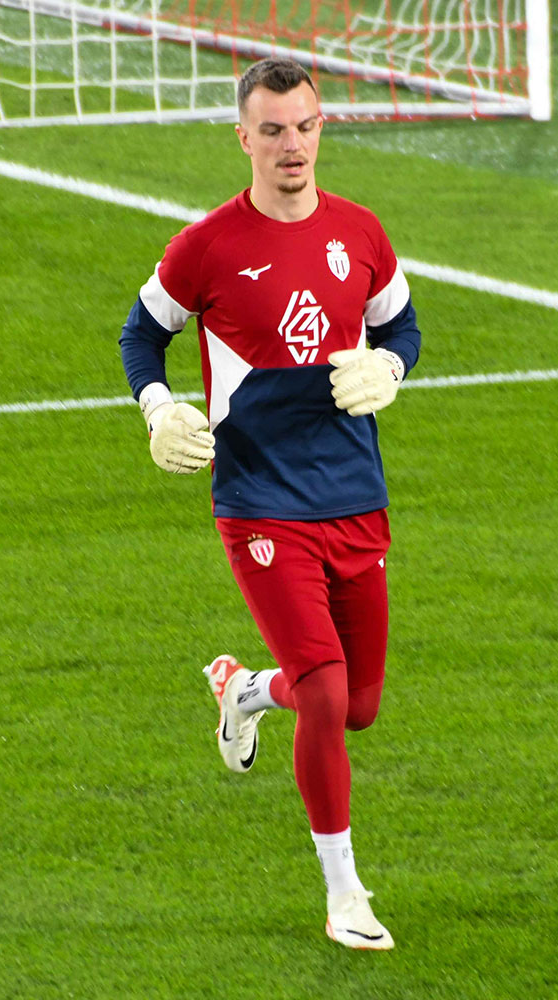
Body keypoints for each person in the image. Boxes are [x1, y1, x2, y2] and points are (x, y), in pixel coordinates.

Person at [117, 57, 422, 951]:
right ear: (242, 137)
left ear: (322, 128)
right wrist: (158, 408)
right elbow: (142, 334)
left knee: (358, 705)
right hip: (258, 501)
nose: (293, 145)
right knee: (325, 693)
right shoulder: (207, 245)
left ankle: (245, 690)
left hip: (354, 494)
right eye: (274, 130)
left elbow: (402, 324)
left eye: (306, 126)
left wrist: (391, 364)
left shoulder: (360, 233)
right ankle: (345, 894)